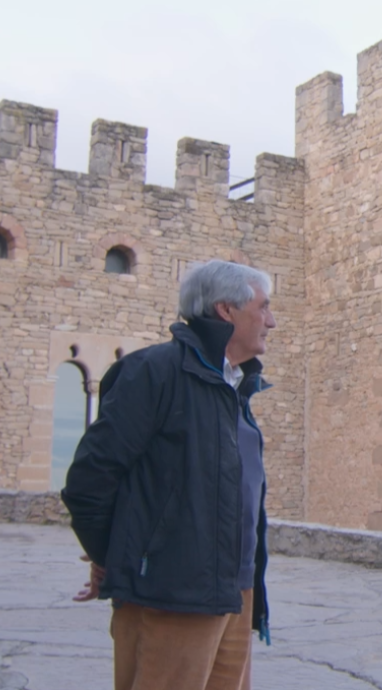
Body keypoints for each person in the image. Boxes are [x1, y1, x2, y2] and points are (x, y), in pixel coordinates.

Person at [62, 259, 277, 690]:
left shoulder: (233, 386)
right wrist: (112, 559)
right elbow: (90, 478)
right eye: (263, 307)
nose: (271, 321)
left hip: (233, 591)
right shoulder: (154, 372)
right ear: (225, 310)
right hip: (171, 593)